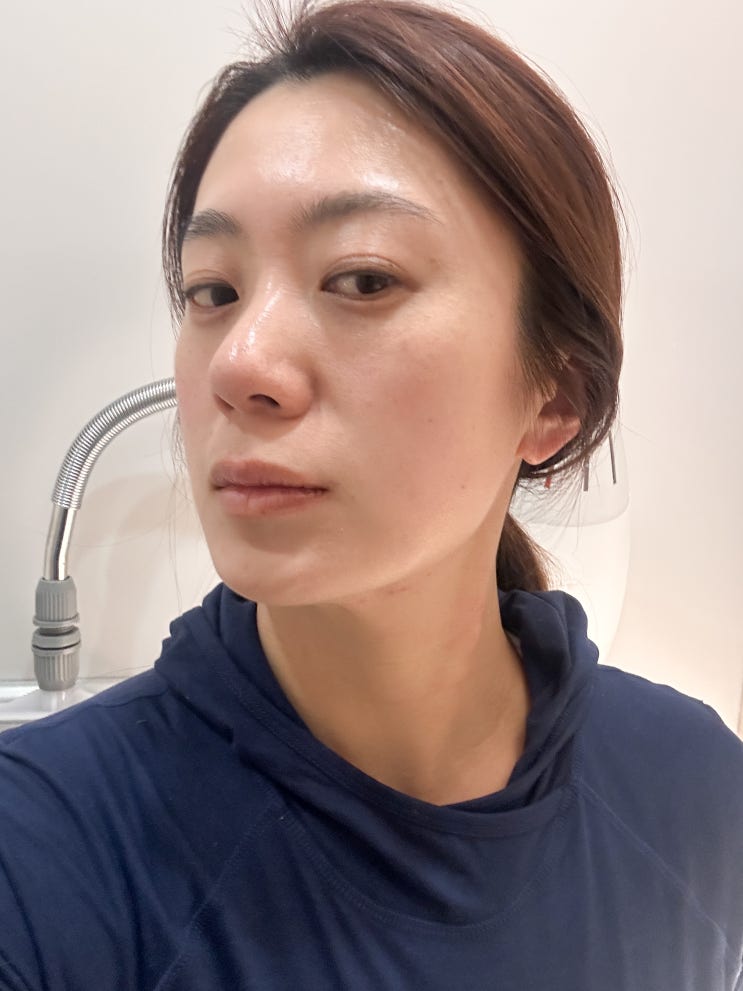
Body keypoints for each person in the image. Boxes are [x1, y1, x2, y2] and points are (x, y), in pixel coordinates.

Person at [1, 0, 742, 987]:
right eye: (213, 290)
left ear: (553, 395)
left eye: (360, 279)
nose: (239, 363)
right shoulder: (42, 853)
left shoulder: (693, 791)